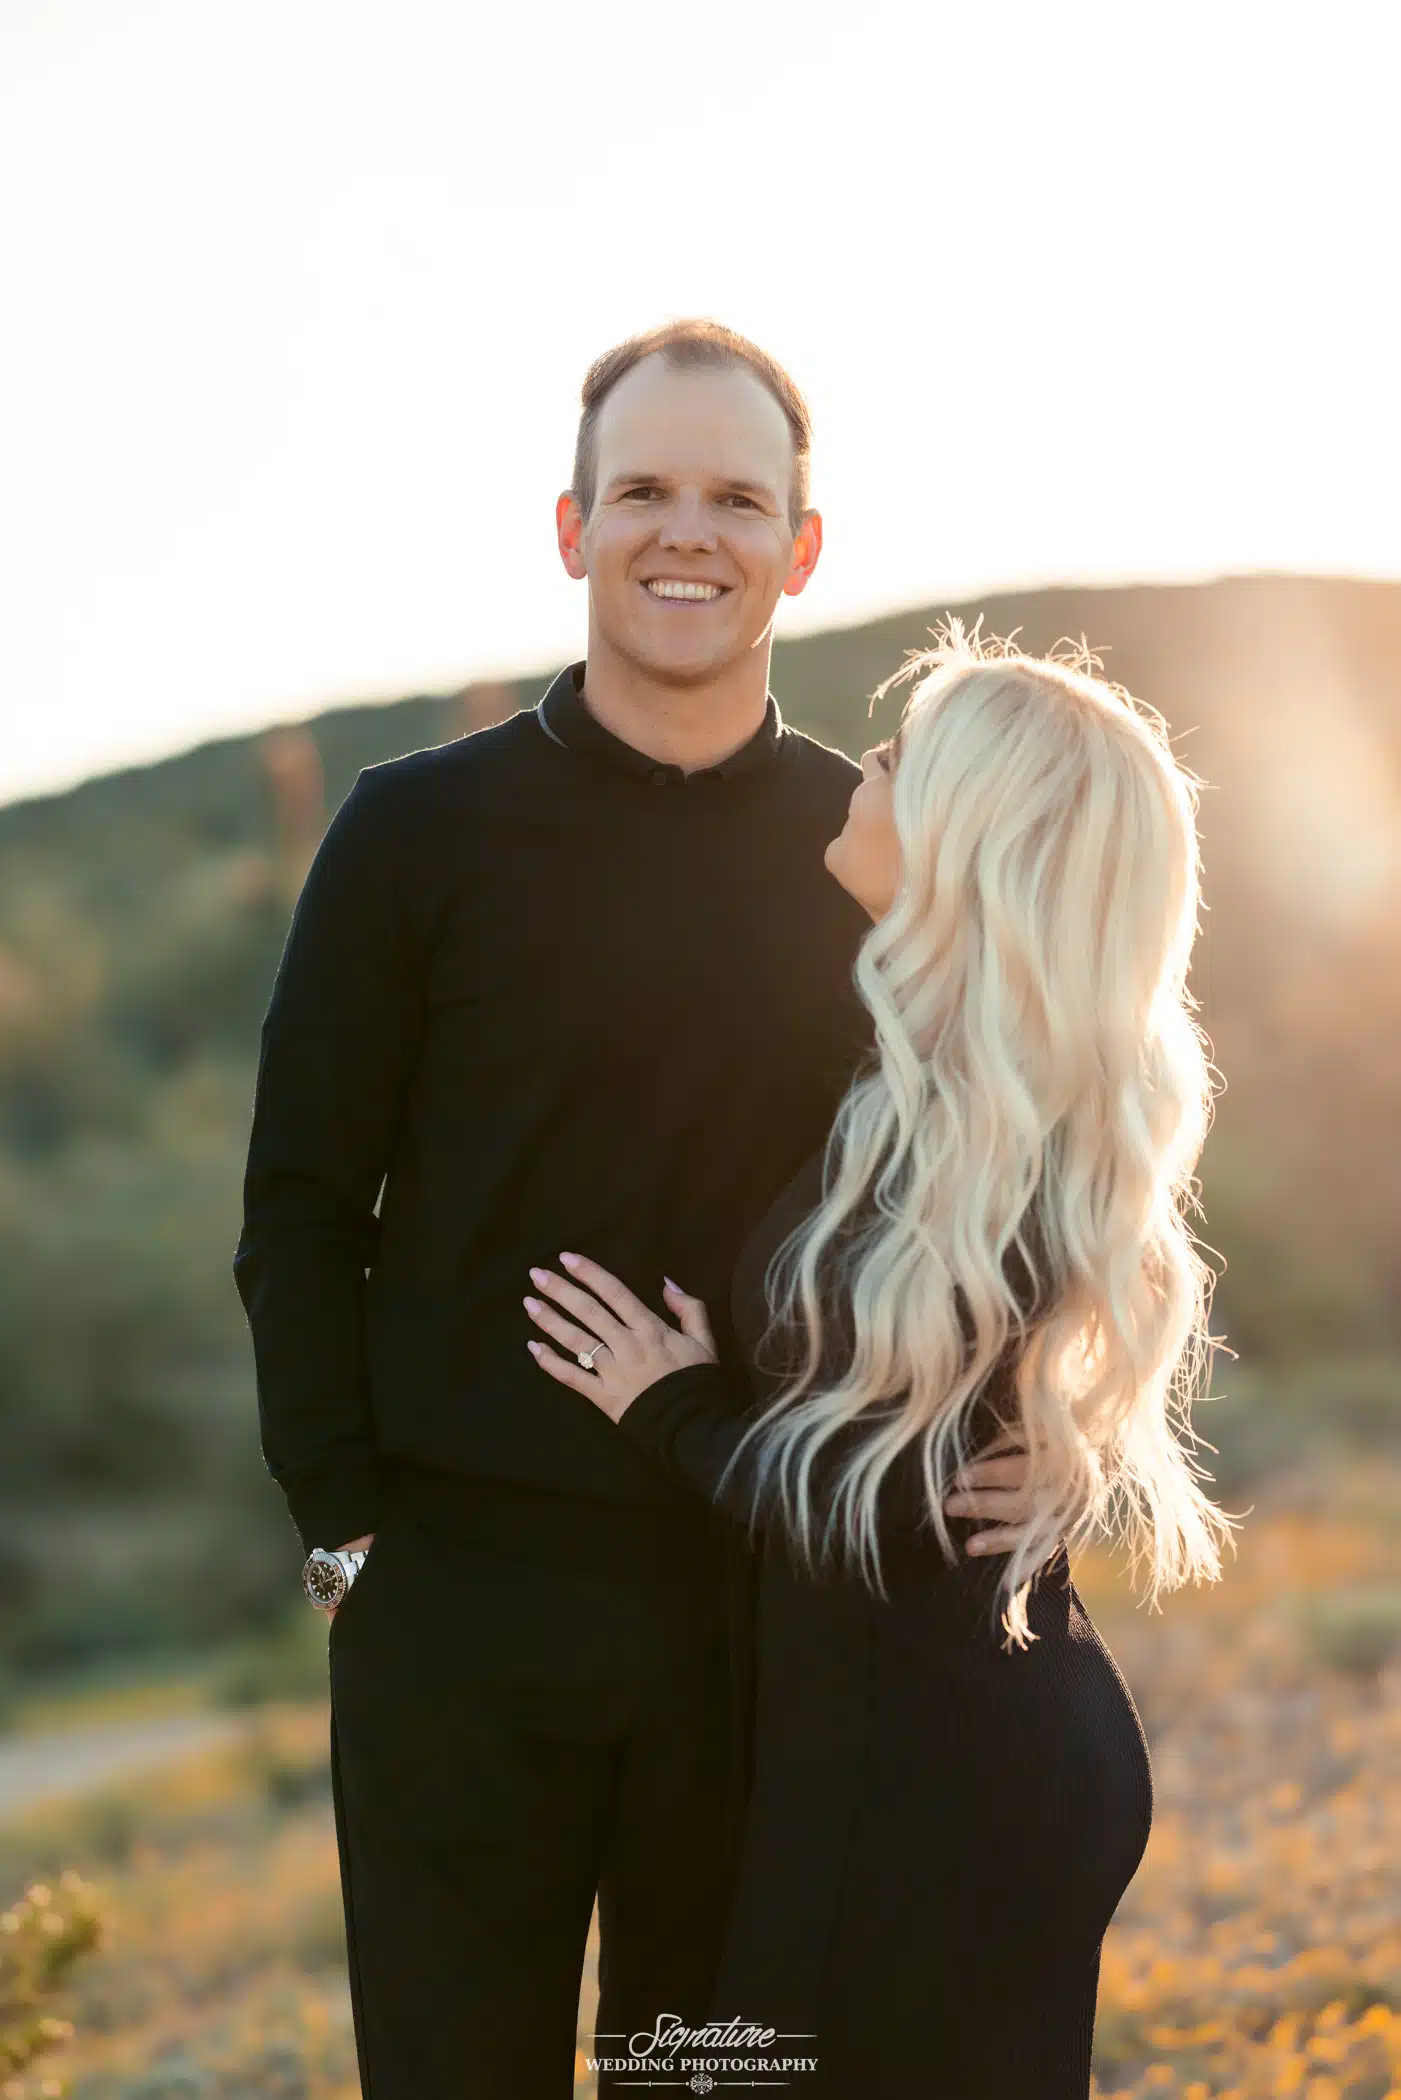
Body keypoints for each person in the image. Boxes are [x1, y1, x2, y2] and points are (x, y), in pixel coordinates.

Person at [232, 320, 1038, 2100]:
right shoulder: (413, 832)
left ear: (803, 545)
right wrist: (345, 1526)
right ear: (573, 527)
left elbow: (1001, 1175)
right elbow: (298, 1199)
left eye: (738, 496)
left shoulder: (878, 851)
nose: (691, 531)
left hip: (773, 1623)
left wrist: (1047, 1422)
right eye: (647, 490)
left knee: (716, 2080)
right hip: (456, 1614)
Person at [522, 626, 1237, 2098]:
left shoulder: (976, 1127)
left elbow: (874, 1506)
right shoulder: (952, 1090)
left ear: (970, 840)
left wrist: (668, 1407)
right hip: (917, 1746)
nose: (871, 764)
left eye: (908, 757)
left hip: (931, 1785)